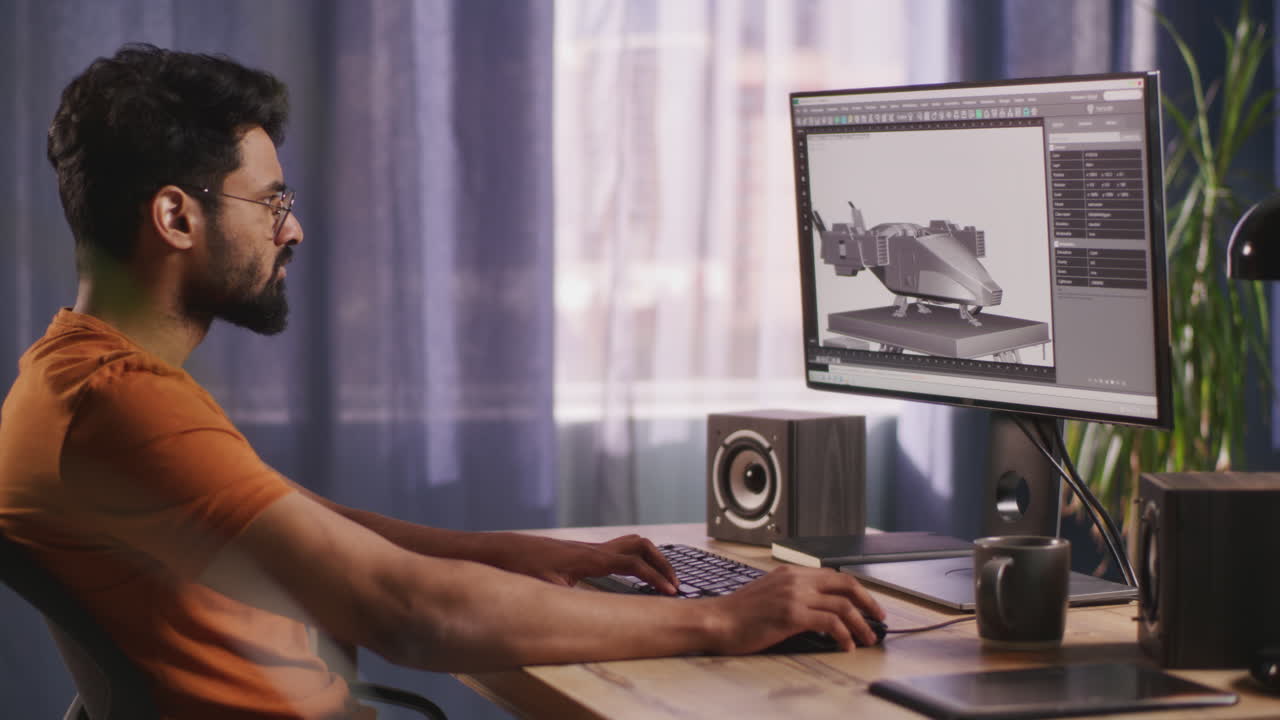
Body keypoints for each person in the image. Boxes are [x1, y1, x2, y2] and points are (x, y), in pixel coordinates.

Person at [0, 44, 884, 719]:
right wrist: (722, 620)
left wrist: (519, 555)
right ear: (175, 216)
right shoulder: (119, 402)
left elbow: (310, 525)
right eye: (270, 202)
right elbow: (406, 612)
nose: (292, 229)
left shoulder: (72, 375)